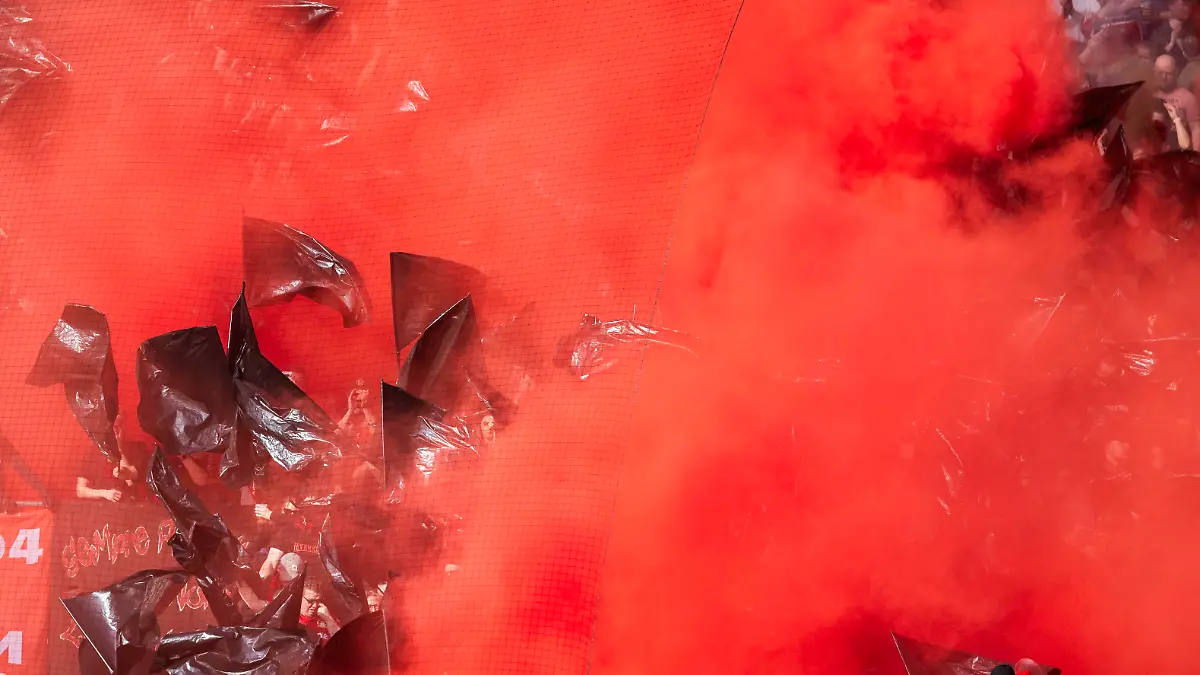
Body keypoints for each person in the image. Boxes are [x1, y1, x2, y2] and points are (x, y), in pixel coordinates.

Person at [1153, 54, 1200, 147]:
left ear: (1176, 73)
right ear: (1154, 72)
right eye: (1160, 73)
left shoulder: (1187, 97)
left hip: (1179, 150)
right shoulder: (1148, 95)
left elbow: (1196, 129)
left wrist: (1195, 156)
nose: (1164, 77)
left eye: (1168, 73)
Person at [299, 577, 340, 645]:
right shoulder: (291, 620)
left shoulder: (327, 616)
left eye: (318, 600)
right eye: (311, 601)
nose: (315, 605)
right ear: (299, 599)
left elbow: (343, 643)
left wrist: (330, 621)